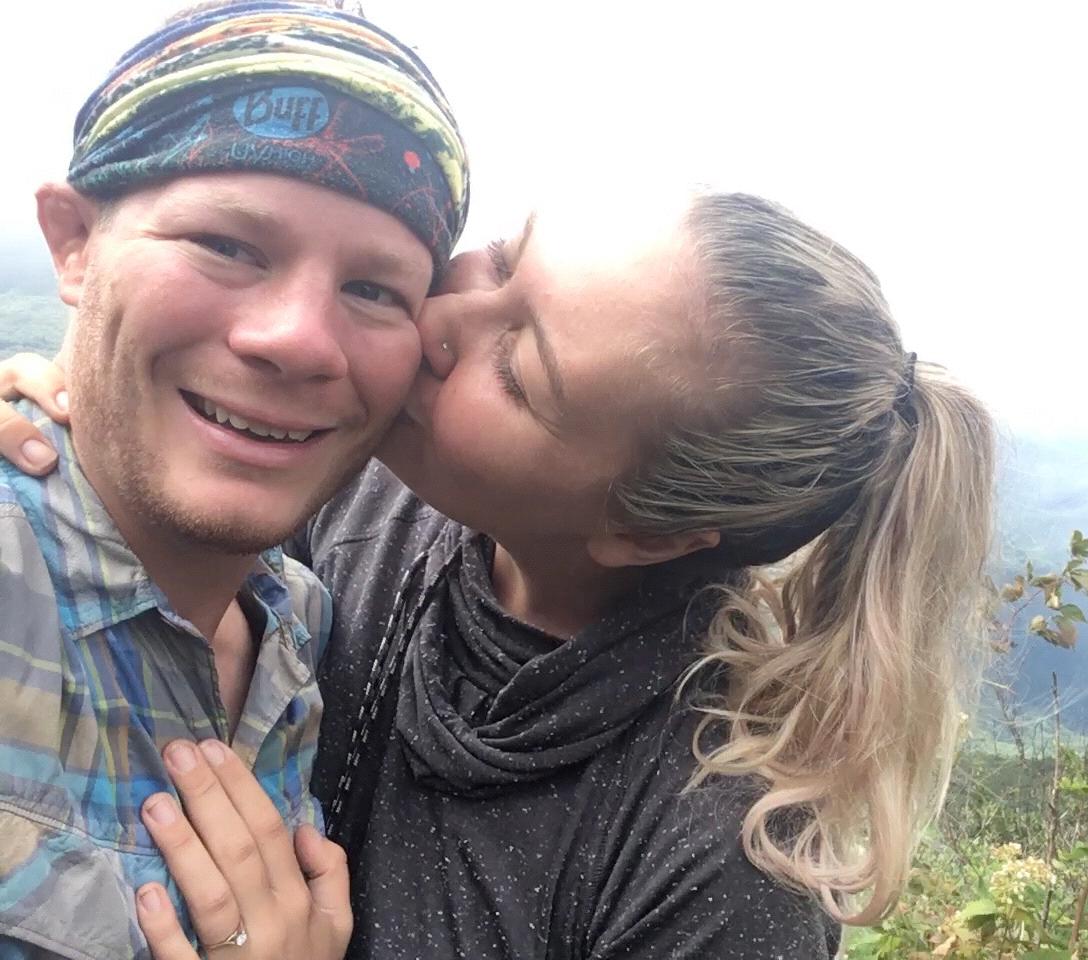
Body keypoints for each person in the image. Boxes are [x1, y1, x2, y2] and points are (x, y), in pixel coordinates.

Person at [2, 188, 996, 958]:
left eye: (517, 373)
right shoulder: (370, 505)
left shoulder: (716, 865)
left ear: (646, 534)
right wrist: (73, 431)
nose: (438, 316)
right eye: (506, 259)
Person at [0, 1, 467, 957]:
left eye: (374, 289)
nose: (298, 339)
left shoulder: (301, 631)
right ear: (74, 241)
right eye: (227, 245)